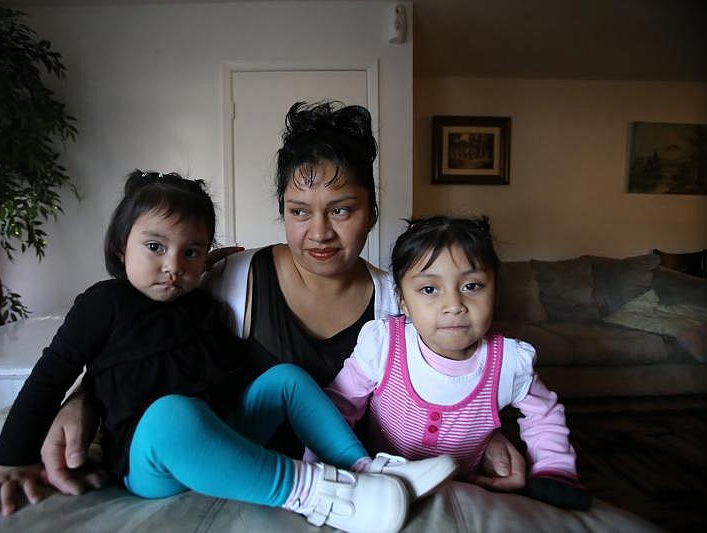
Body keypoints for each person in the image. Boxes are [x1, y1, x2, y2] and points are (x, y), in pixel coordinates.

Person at [39, 101, 526, 497]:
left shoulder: (399, 304)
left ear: (371, 212)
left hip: (350, 476)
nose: (319, 233)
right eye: (299, 211)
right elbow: (144, 345)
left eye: (341, 210)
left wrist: (489, 436)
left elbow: (451, 377)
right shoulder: (230, 277)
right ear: (283, 212)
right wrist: (83, 400)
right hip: (224, 472)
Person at [0, 171, 459, 532]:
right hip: (151, 460)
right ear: (120, 245)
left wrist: (208, 267)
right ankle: (321, 495)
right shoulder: (104, 304)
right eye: (154, 247)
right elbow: (51, 373)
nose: (173, 265)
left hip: (225, 432)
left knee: (286, 377)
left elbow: (231, 371)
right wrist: (11, 458)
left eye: (191, 252)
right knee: (172, 413)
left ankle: (363, 470)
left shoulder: (205, 304)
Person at [315, 215, 592, 510]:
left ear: (494, 290)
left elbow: (544, 415)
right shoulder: (384, 345)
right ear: (403, 301)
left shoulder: (510, 363)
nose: (454, 305)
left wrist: (554, 468)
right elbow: (340, 404)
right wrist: (325, 466)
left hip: (463, 493)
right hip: (379, 486)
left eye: (472, 286)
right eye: (430, 290)